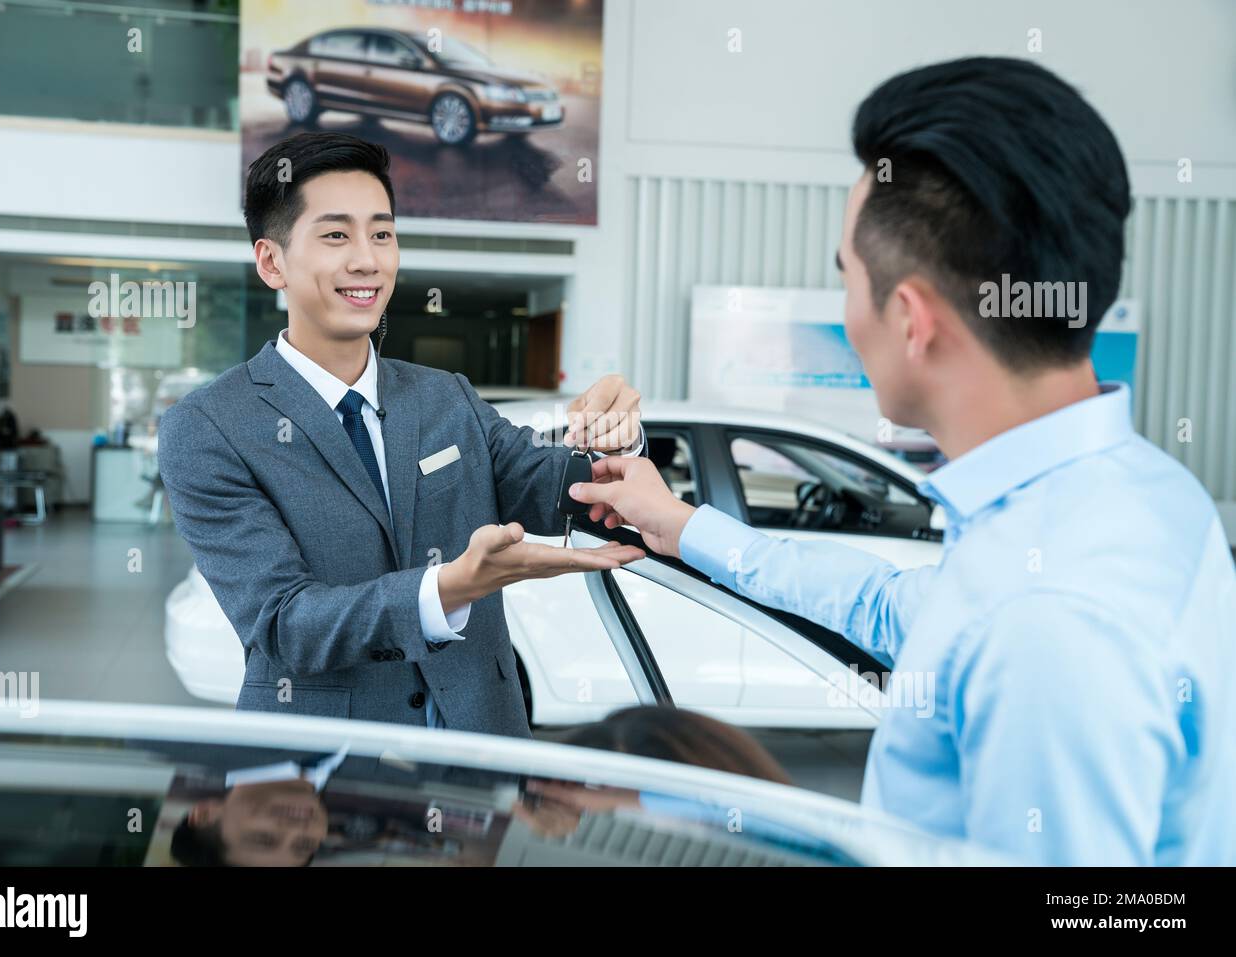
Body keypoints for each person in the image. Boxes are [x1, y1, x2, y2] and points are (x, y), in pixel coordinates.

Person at [568, 57, 1236, 865]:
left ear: (912, 318)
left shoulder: (1043, 621)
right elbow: (890, 608)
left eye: (848, 277)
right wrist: (680, 524)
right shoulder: (1145, 495)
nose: (850, 308)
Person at [159, 131, 644, 738]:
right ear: (271, 262)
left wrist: (613, 444)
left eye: (382, 234)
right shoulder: (209, 427)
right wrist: (446, 589)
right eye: (336, 235)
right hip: (318, 780)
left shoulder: (446, 396)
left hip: (482, 751)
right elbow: (285, 623)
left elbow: (549, 485)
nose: (367, 260)